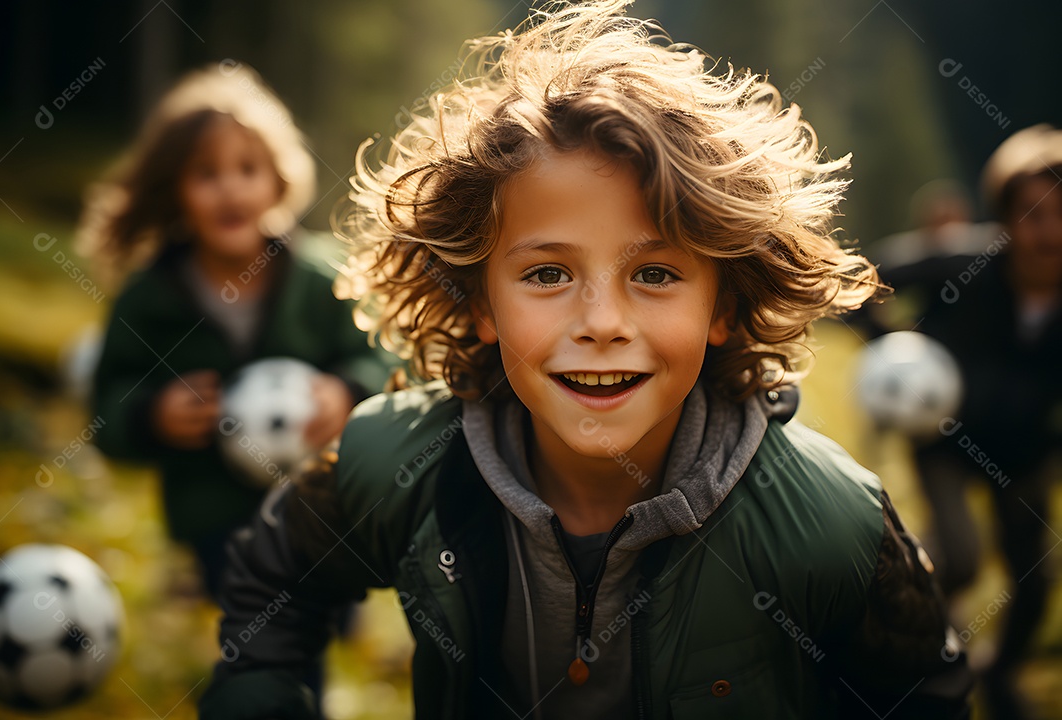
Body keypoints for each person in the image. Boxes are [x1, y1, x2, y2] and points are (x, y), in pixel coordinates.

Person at [199, 3, 973, 718]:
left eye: (656, 275)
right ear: (479, 303)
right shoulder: (398, 464)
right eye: (546, 275)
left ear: (723, 308)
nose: (601, 323)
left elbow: (924, 695)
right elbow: (274, 583)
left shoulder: (830, 524)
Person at [80, 64, 389, 599]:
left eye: (247, 169)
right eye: (206, 173)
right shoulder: (149, 299)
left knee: (319, 606)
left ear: (278, 181)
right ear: (174, 189)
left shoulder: (323, 281)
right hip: (216, 521)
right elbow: (107, 408)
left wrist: (348, 391)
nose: (230, 190)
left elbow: (384, 360)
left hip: (324, 506)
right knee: (257, 625)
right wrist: (152, 415)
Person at [879, 124, 1062, 720]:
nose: (1050, 231)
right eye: (1033, 214)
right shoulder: (968, 263)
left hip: (1023, 451)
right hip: (946, 440)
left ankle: (1000, 672)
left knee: (1034, 576)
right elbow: (869, 276)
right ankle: (907, 631)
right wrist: (894, 349)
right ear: (1006, 220)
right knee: (958, 555)